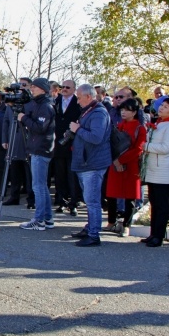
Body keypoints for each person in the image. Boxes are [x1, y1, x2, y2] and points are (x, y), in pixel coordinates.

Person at [68, 84, 112, 247]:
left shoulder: (99, 113)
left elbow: (96, 137)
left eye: (79, 97)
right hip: (85, 162)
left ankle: (94, 235)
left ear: (88, 97)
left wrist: (78, 129)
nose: (77, 101)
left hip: (93, 163)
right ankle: (89, 228)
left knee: (92, 200)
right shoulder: (89, 111)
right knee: (89, 199)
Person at [140, 97, 169, 247]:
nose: (161, 108)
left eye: (166, 107)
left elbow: (166, 148)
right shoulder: (158, 123)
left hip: (163, 169)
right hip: (152, 167)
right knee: (154, 202)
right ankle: (153, 233)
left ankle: (159, 235)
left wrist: (146, 146)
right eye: (162, 106)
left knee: (161, 203)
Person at [103, 98, 146, 238]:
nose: (123, 112)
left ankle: (127, 225)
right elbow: (112, 144)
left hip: (131, 165)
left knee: (130, 197)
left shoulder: (140, 128)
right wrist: (115, 160)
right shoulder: (119, 125)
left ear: (134, 112)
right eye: (122, 110)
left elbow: (138, 149)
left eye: (127, 110)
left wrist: (120, 160)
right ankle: (111, 221)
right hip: (115, 163)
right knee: (111, 194)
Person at [17, 78, 56, 230]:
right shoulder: (39, 104)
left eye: (34, 87)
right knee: (41, 186)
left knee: (38, 186)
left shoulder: (46, 106)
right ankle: (48, 218)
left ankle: (39, 220)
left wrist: (24, 118)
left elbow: (40, 128)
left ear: (43, 89)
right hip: (37, 147)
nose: (31, 89)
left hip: (41, 149)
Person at [54, 79, 81, 215]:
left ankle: (73, 203)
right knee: (60, 175)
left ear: (74, 89)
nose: (64, 89)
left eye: (68, 87)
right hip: (58, 144)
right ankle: (61, 201)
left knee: (72, 176)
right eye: (62, 87)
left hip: (72, 143)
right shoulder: (56, 101)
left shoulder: (78, 102)